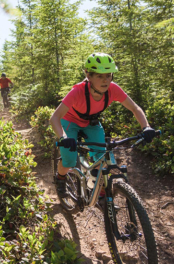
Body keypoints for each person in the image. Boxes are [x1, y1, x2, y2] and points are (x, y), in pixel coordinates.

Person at [49, 53, 156, 198]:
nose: (105, 80)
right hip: (70, 122)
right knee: (69, 161)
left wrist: (146, 127)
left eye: (108, 75)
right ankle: (60, 178)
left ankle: (100, 191)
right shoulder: (78, 91)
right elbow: (55, 117)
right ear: (88, 75)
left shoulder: (113, 89)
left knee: (102, 157)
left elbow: (135, 108)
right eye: (99, 76)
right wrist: (63, 137)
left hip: (91, 122)